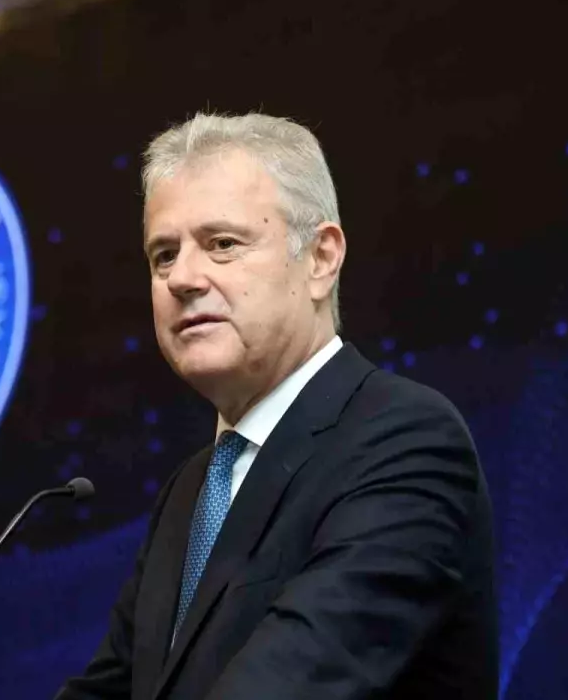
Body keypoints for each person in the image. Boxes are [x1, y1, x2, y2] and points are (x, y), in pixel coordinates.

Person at [56, 113, 498, 699]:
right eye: (163, 255)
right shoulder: (190, 492)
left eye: (222, 244)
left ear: (320, 258)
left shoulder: (405, 442)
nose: (181, 278)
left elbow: (294, 680)